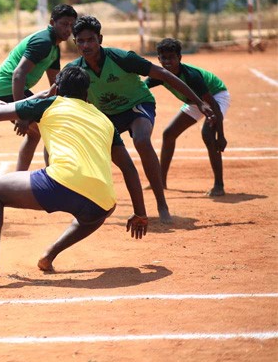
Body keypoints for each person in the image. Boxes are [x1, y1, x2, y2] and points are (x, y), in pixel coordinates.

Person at [0, 66, 149, 288]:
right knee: (100, 209)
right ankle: (49, 255)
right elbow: (129, 168)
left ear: (57, 88)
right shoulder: (104, 120)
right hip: (102, 200)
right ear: (87, 93)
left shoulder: (49, 103)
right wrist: (140, 213)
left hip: (60, 183)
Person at [64, 16, 215, 224]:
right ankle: (95, 206)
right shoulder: (74, 69)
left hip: (138, 105)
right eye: (80, 41)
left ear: (100, 38)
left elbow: (163, 73)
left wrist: (199, 102)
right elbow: (56, 93)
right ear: (75, 43)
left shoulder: (122, 58)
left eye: (90, 40)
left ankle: (162, 204)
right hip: (107, 116)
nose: (86, 45)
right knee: (99, 155)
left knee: (142, 141)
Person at [0, 4, 77, 170]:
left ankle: (20, 175)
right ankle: (53, 178)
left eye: (72, 25)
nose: (68, 29)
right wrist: (21, 113)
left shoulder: (54, 47)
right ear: (52, 22)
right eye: (64, 24)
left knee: (35, 133)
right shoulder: (43, 42)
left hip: (14, 89)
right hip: (7, 89)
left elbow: (56, 83)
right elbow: (18, 74)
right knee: (49, 129)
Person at [145, 38, 229, 196]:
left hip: (216, 96)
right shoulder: (159, 74)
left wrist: (221, 135)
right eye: (164, 58)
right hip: (194, 101)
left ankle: (219, 185)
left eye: (172, 57)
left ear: (180, 58)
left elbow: (213, 105)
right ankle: (161, 181)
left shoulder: (191, 76)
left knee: (208, 134)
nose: (168, 62)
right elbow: (141, 87)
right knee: (169, 134)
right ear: (158, 59)